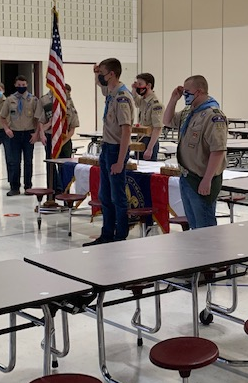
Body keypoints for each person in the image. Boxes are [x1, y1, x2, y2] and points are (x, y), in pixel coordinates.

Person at [163, 75, 228, 229]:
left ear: (198, 92)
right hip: (187, 176)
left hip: (201, 178)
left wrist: (207, 180)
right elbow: (167, 121)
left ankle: (209, 248)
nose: (184, 94)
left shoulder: (213, 115)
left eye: (187, 91)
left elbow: (218, 150)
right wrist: (173, 99)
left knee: (205, 227)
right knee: (194, 227)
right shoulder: (189, 112)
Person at [83, 58, 134, 246]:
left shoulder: (122, 97)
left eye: (103, 73)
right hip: (107, 148)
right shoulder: (112, 93)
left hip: (116, 149)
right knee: (105, 195)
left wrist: (120, 161)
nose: (100, 77)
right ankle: (106, 234)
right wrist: (96, 73)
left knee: (117, 196)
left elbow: (126, 130)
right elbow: (100, 85)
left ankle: (120, 236)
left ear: (112, 74)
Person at [0, 75, 39, 196]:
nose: (21, 87)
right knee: (14, 162)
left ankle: (28, 186)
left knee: (28, 162)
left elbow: (38, 118)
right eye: (19, 85)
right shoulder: (10, 100)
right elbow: (2, 117)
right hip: (14, 135)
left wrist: (36, 134)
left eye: (23, 85)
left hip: (28, 134)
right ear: (15, 85)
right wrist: (6, 129)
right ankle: (15, 187)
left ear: (27, 85)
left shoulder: (33, 100)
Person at [37, 84, 80, 193]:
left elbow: (72, 129)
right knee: (50, 166)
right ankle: (52, 192)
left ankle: (65, 192)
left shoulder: (70, 107)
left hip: (65, 139)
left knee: (65, 167)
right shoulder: (48, 105)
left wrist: (62, 142)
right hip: (51, 138)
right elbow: (41, 123)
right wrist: (43, 132)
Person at [132, 73, 163, 161]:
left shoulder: (156, 104)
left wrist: (149, 149)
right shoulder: (144, 100)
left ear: (148, 85)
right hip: (140, 138)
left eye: (140, 84)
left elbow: (157, 128)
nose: (138, 87)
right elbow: (136, 102)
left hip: (150, 140)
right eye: (137, 84)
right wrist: (134, 89)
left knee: (147, 168)